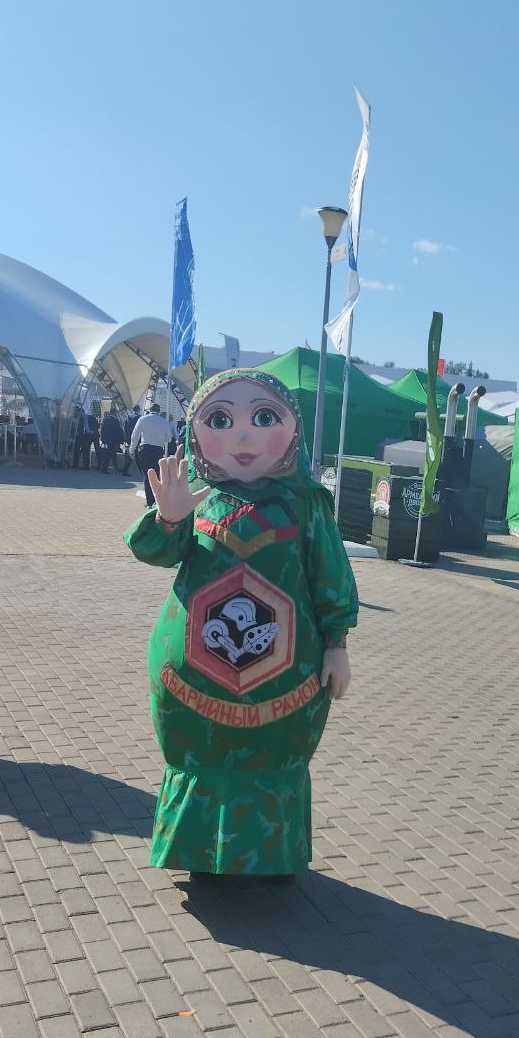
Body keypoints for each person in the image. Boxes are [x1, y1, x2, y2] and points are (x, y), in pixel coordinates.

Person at [124, 368, 358, 881]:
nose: (244, 436)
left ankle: (272, 858)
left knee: (274, 758)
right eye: (220, 420)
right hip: (193, 679)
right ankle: (197, 854)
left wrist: (337, 643)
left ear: (293, 429)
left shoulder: (306, 503)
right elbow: (155, 552)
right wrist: (168, 518)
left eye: (265, 417)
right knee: (201, 756)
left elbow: (330, 574)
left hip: (286, 680)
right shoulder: (197, 495)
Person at [128, 403, 173, 506]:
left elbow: (135, 436)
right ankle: (158, 500)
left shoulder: (143, 419)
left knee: (147, 475)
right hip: (158, 450)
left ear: (149, 410)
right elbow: (169, 439)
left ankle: (149, 501)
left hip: (145, 449)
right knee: (157, 475)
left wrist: (131, 449)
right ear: (159, 411)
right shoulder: (164, 421)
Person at [122, 407, 140, 474]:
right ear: (139, 410)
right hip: (137, 438)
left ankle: (125, 470)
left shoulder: (128, 417)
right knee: (136, 455)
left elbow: (125, 428)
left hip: (129, 438)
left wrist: (126, 438)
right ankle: (142, 471)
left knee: (131, 454)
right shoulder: (139, 418)